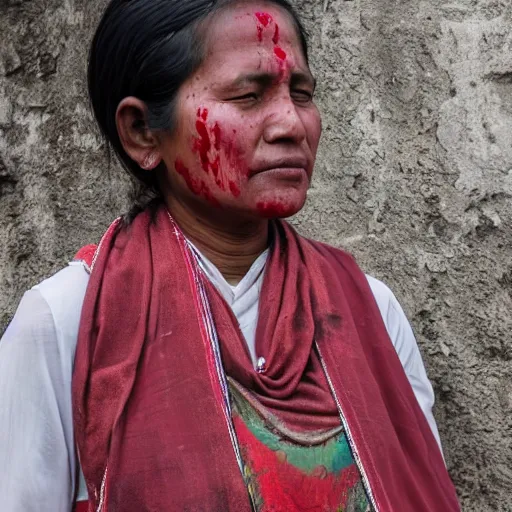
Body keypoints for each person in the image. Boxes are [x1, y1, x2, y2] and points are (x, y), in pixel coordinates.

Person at [0, 0, 461, 511]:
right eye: (248, 95)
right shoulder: (66, 324)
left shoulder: (370, 311)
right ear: (141, 131)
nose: (292, 123)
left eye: (302, 94)